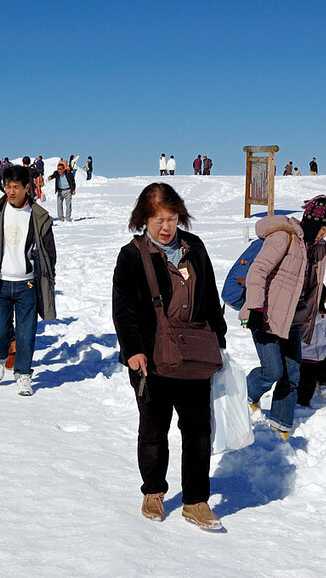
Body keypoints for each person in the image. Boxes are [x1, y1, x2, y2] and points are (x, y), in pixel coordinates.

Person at [112, 182, 227, 531]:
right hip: (152, 358)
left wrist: (218, 338)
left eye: (172, 219)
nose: (166, 227)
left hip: (193, 354)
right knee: (153, 429)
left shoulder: (196, 248)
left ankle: (195, 500)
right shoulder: (132, 255)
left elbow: (209, 296)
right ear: (144, 219)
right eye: (159, 219)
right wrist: (133, 350)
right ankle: (154, 491)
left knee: (198, 431)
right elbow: (124, 309)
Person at [240, 195, 326, 438]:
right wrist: (254, 309)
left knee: (292, 375)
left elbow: (314, 286)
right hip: (265, 315)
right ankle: (246, 395)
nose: (325, 235)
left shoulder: (317, 248)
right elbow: (258, 271)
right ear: (313, 223)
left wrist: (313, 315)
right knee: (272, 371)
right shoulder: (283, 237)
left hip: (293, 319)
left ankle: (280, 425)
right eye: (324, 229)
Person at [0, 165, 56, 396]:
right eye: (7, 186)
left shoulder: (38, 216)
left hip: (27, 284)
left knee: (26, 334)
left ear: (27, 188)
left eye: (16, 187)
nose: (10, 191)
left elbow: (49, 253)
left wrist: (47, 278)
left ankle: (24, 375)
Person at [295, 284, 326, 406]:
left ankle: (322, 383)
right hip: (306, 356)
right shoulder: (303, 314)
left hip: (322, 353)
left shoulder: (323, 315)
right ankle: (302, 404)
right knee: (306, 384)